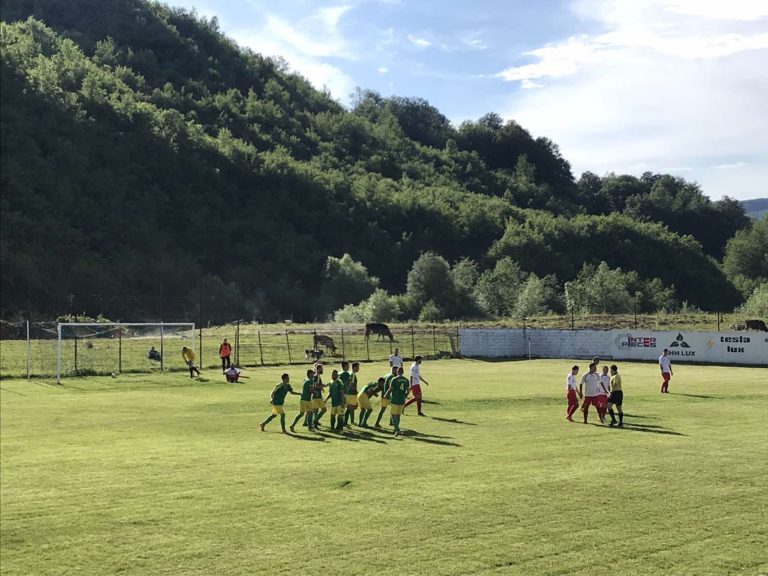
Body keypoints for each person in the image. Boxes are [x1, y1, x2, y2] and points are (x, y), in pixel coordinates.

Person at [387, 367, 410, 437]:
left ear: (397, 372)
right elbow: (408, 390)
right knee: (398, 416)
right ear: (403, 372)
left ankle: (397, 430)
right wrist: (405, 395)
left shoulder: (394, 379)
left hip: (395, 400)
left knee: (393, 415)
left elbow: (390, 389)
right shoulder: (406, 380)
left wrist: (386, 395)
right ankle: (395, 429)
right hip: (402, 400)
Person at [311, 363, 326, 428]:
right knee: (324, 410)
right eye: (322, 368)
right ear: (319, 369)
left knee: (316, 410)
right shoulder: (316, 376)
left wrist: (321, 387)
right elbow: (315, 386)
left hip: (318, 396)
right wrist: (323, 386)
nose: (323, 369)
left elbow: (317, 385)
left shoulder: (318, 376)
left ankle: (315, 423)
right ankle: (314, 421)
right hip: (316, 396)